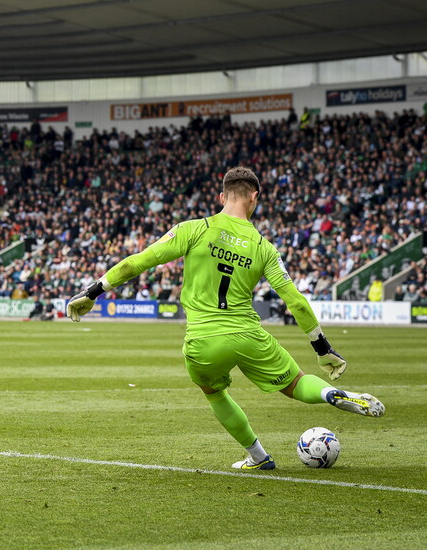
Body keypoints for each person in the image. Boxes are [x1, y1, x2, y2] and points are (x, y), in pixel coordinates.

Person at [66, 166, 385, 470]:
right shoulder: (265, 248)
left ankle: (258, 456)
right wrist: (323, 349)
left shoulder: (193, 229)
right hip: (248, 333)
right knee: (296, 383)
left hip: (203, 339)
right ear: (254, 197)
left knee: (214, 392)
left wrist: (92, 292)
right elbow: (296, 302)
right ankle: (331, 394)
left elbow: (135, 263)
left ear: (222, 197)